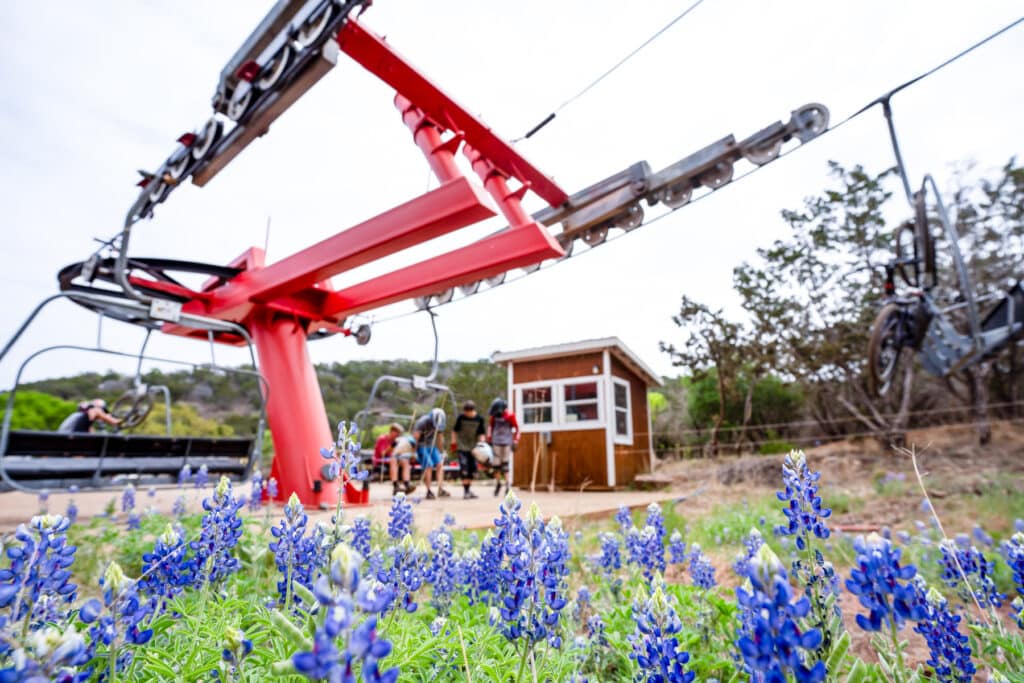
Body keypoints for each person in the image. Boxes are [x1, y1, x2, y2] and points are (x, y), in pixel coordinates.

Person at [412, 407, 450, 500]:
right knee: (428, 466)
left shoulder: (441, 422)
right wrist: (413, 452)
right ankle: (429, 491)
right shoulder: (422, 422)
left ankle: (440, 489)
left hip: (432, 446)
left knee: (439, 464)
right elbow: (415, 438)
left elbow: (440, 437)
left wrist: (442, 451)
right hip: (421, 446)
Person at [450, 400, 485, 500]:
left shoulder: (479, 419)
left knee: (472, 468)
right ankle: (465, 491)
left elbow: (481, 433)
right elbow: (454, 431)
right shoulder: (461, 418)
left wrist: (482, 444)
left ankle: (468, 490)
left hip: (473, 447)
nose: (466, 413)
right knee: (464, 467)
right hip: (461, 446)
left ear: (472, 410)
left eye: (467, 412)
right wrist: (453, 443)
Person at [487, 397, 519, 497]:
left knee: (505, 465)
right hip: (496, 441)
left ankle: (507, 485)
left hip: (506, 442)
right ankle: (498, 483)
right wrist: (489, 438)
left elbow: (517, 428)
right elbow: (490, 427)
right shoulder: (493, 416)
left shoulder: (510, 416)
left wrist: (515, 440)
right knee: (496, 465)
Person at [374, 423, 413, 496]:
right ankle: (396, 486)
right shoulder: (383, 438)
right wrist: (392, 446)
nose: (398, 435)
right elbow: (383, 454)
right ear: (392, 431)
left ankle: (407, 484)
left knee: (405, 461)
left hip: (393, 459)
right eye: (397, 433)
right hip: (382, 460)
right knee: (393, 460)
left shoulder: (397, 440)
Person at [57, 399, 122, 433]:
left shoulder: (78, 418)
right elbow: (96, 411)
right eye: (103, 411)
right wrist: (113, 420)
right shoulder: (92, 411)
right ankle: (117, 421)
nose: (102, 413)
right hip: (71, 441)